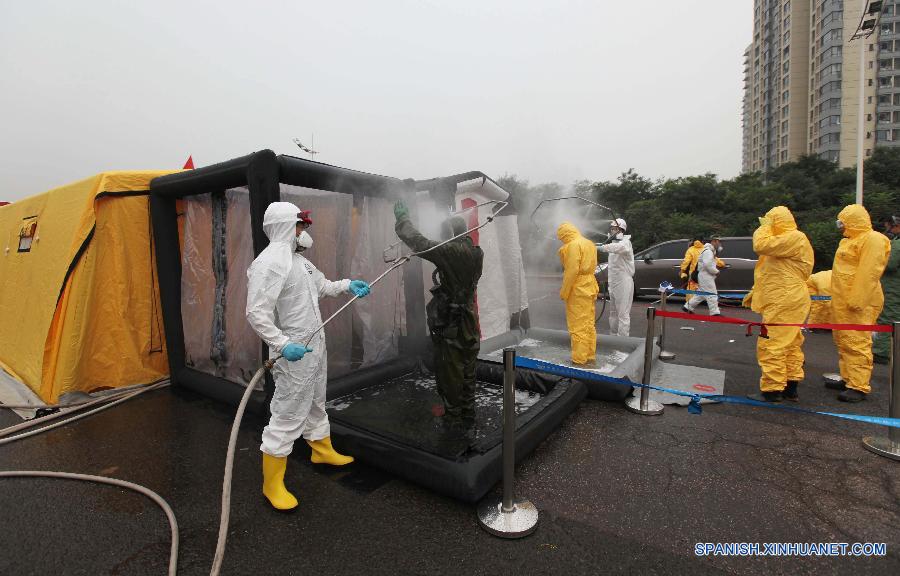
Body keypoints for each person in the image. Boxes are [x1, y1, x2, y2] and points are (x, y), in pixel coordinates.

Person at [246, 202, 371, 510]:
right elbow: (256, 312)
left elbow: (323, 286)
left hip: (314, 348)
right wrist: (282, 343)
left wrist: (347, 286)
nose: (303, 232)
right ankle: (272, 483)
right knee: (288, 412)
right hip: (292, 353)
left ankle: (321, 449)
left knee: (315, 401)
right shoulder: (270, 263)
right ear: (286, 226)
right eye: (300, 226)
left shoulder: (298, 261)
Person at [393, 200, 484, 426]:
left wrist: (403, 220)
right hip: (469, 320)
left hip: (452, 323)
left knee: (450, 370)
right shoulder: (477, 252)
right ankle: (467, 413)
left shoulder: (451, 251)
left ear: (450, 234)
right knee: (468, 368)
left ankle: (453, 420)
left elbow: (420, 242)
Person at [742, 206, 814, 402]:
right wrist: (755, 294)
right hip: (787, 298)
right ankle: (790, 386)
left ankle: (772, 390)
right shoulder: (787, 241)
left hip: (785, 299)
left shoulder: (793, 237)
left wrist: (765, 227)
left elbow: (760, 245)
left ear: (774, 222)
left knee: (771, 343)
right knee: (790, 343)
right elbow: (773, 272)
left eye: (767, 221)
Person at [830, 204, 891, 402]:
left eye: (843, 221)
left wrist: (858, 298)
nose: (840, 225)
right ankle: (848, 378)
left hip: (859, 302)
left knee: (857, 341)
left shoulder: (873, 239)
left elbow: (870, 271)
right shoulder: (848, 241)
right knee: (844, 340)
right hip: (843, 301)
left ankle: (858, 386)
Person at [557, 221, 599, 364]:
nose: (561, 241)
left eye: (561, 237)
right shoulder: (589, 243)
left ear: (565, 234)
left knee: (577, 325)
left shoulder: (573, 245)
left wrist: (564, 291)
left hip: (579, 288)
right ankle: (589, 355)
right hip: (590, 285)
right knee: (588, 324)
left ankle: (579, 360)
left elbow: (572, 270)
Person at [598, 218, 634, 337]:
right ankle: (613, 338)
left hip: (624, 281)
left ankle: (622, 344)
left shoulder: (625, 243)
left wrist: (601, 247)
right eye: (612, 229)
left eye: (615, 229)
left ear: (621, 231)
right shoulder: (613, 244)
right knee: (613, 312)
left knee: (622, 314)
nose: (613, 231)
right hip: (613, 282)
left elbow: (618, 248)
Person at [873, 216, 899, 363]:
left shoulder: (897, 244)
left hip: (893, 287)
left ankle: (882, 353)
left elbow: (890, 264)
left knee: (888, 316)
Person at [683, 236, 723, 316]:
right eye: (719, 242)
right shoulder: (708, 251)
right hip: (706, 276)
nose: (720, 244)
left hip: (704, 276)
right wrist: (716, 271)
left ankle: (688, 307)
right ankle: (715, 313)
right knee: (712, 294)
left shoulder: (709, 251)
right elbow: (707, 264)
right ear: (714, 241)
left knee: (701, 294)